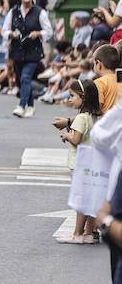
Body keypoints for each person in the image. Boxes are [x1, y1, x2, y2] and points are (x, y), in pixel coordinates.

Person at [53, 79, 100, 244]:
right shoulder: (94, 117)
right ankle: (88, 233)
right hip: (92, 162)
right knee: (92, 200)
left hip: (79, 164)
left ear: (83, 97)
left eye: (72, 96)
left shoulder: (80, 118)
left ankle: (77, 234)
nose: (69, 99)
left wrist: (66, 135)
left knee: (81, 200)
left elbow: (77, 139)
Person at [3, 0, 51, 118]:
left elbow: (49, 31)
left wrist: (39, 33)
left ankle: (21, 105)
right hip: (17, 51)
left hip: (33, 51)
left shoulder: (40, 12)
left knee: (25, 77)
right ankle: (31, 106)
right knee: (23, 80)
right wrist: (11, 34)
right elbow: (4, 30)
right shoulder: (13, 12)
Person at [94, 44, 120, 115]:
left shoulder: (99, 83)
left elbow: (94, 110)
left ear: (98, 64)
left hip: (105, 124)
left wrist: (68, 121)